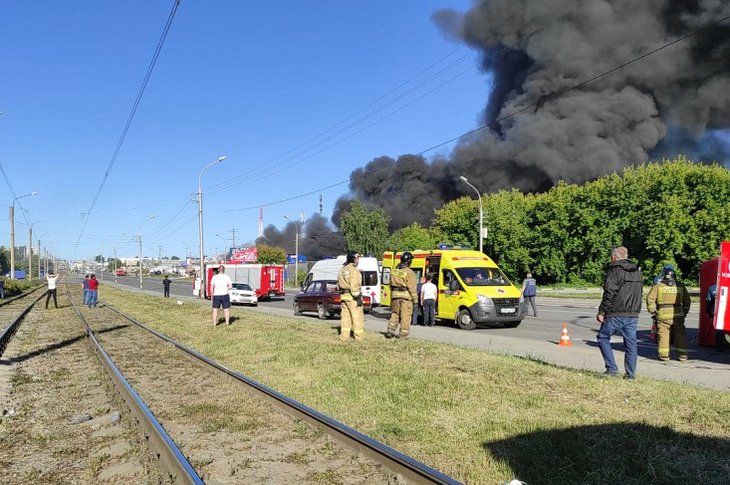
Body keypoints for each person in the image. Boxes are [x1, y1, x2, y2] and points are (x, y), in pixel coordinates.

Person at [596, 246, 643, 380]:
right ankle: (630, 375)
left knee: (603, 337)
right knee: (631, 345)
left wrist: (602, 311)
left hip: (616, 312)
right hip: (633, 313)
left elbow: (609, 293)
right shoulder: (637, 271)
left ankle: (612, 369)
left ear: (614, 257)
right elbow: (639, 293)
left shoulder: (615, 271)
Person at [646, 269, 691, 362]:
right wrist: (685, 311)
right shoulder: (681, 286)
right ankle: (683, 356)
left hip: (663, 315)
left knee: (663, 335)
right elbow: (687, 301)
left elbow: (650, 300)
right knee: (680, 335)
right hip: (678, 315)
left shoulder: (657, 287)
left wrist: (653, 311)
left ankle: (664, 356)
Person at [385, 251, 418, 339]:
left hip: (395, 296)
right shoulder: (410, 273)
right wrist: (415, 301)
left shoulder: (394, 271)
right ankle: (403, 335)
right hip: (405, 297)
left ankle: (390, 331)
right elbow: (412, 288)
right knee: (405, 316)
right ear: (409, 261)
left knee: (395, 314)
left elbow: (389, 284)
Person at [337, 251, 364, 341]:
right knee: (356, 317)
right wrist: (358, 297)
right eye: (357, 258)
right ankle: (359, 337)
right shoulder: (354, 270)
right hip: (353, 298)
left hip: (344, 296)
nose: (358, 261)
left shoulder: (342, 270)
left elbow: (338, 285)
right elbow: (355, 285)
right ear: (353, 259)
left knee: (345, 317)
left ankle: (344, 336)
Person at [706, 284, 728, 351]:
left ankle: (720, 348)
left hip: (718, 312)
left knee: (719, 330)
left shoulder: (712, 288)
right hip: (727, 311)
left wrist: (709, 313)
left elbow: (708, 302)